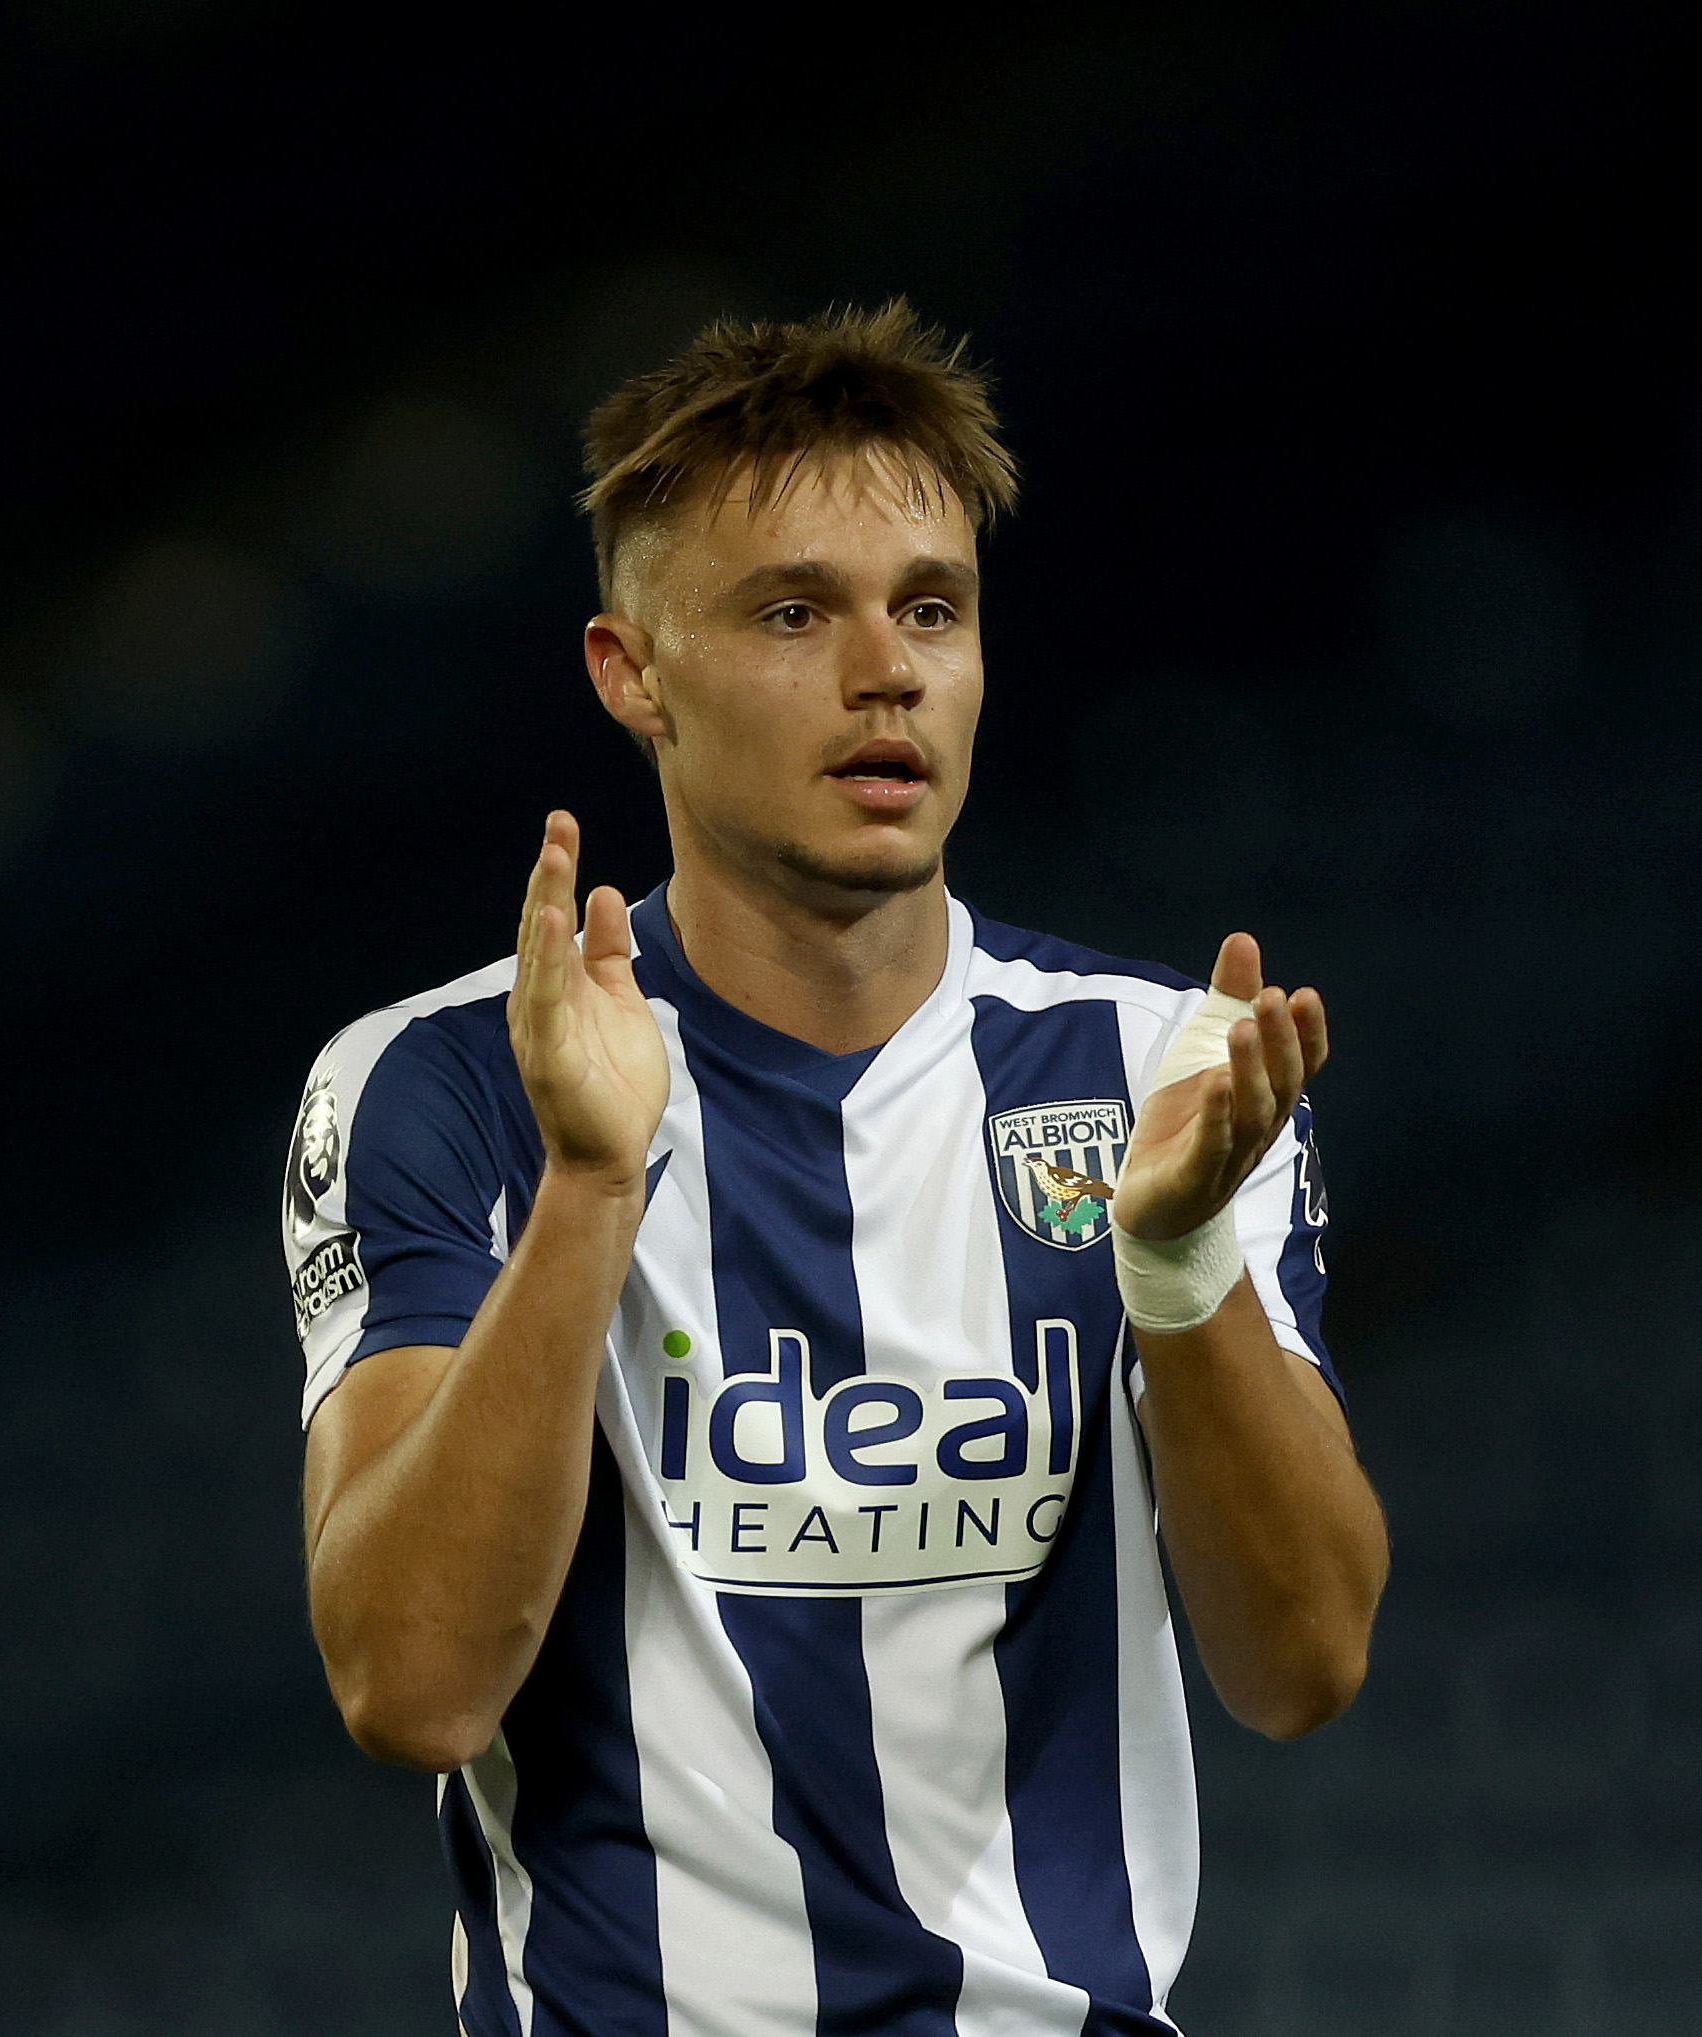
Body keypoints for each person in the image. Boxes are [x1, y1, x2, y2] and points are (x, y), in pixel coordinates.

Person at [284, 302, 1389, 2035]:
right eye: (795, 612)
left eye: (931, 610)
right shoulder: (440, 1084)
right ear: (629, 669)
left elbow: (1304, 1664)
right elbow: (410, 1686)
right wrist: (589, 1188)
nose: (888, 670)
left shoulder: (1161, 1072)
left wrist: (1174, 1265)